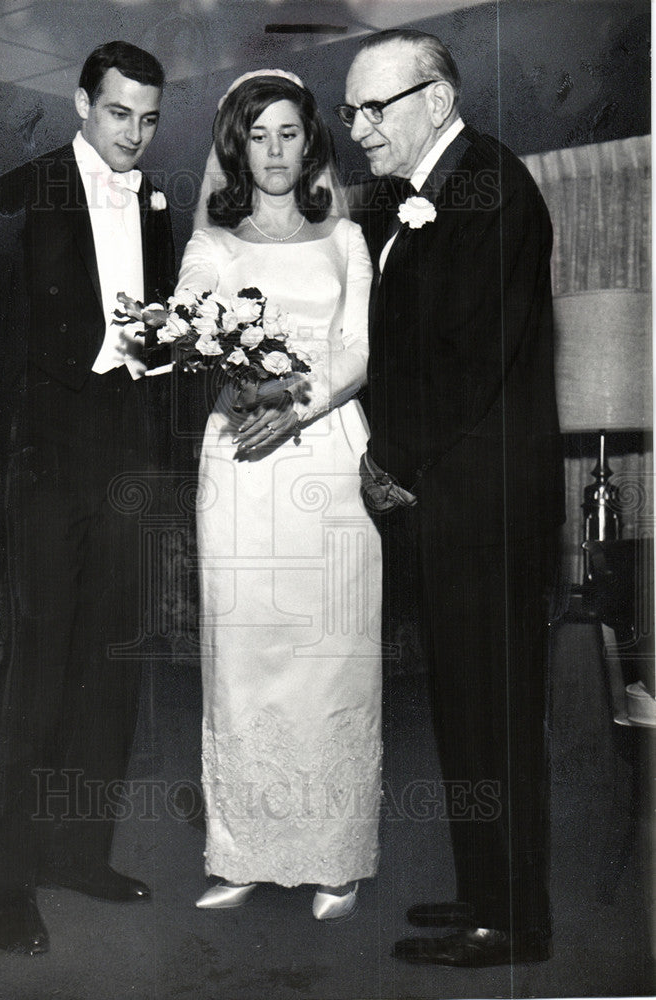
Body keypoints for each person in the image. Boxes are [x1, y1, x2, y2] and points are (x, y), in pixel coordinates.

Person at [342, 30, 564, 965]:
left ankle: (511, 920)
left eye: (371, 109)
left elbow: (464, 360)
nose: (356, 130)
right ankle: (485, 891)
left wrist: (387, 454)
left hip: (482, 506)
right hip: (454, 505)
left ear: (435, 99)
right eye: (348, 112)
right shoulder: (428, 194)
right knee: (466, 711)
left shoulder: (490, 185)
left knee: (491, 715)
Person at [0, 41, 175, 955]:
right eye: (118, 113)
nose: (133, 134)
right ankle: (5, 883)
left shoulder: (159, 206)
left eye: (148, 118)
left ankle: (78, 853)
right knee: (38, 675)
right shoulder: (22, 194)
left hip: (128, 457)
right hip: (47, 461)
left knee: (111, 668)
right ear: (82, 105)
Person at [177, 70, 382, 920]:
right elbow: (186, 333)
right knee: (244, 655)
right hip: (239, 459)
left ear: (310, 144)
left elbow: (357, 351)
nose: (273, 151)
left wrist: (293, 407)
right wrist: (237, 386)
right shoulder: (211, 248)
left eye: (289, 134)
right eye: (257, 135)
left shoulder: (344, 240)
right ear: (236, 145)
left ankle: (333, 855)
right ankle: (244, 851)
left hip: (327, 455)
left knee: (330, 654)